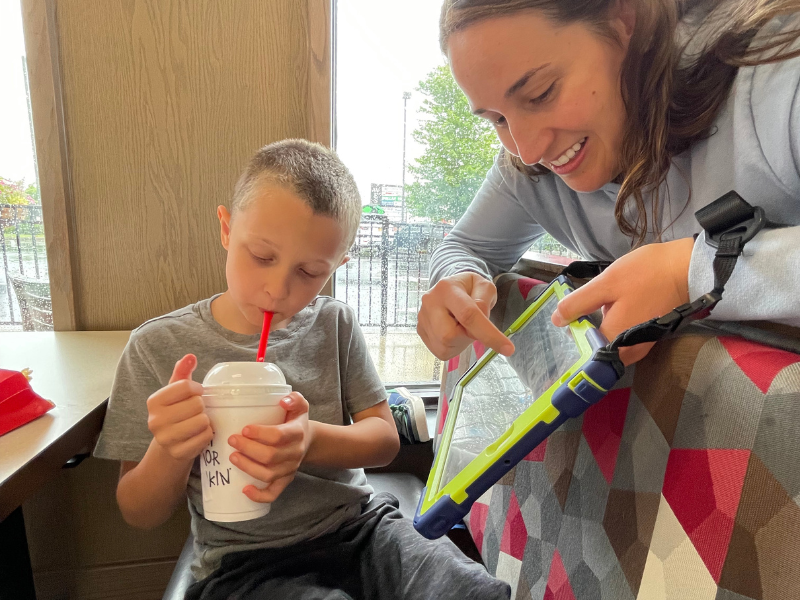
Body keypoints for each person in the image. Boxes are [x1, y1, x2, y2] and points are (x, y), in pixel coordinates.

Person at [93, 139, 510, 600]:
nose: (277, 290)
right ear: (227, 229)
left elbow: (385, 440)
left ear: (337, 267)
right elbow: (139, 512)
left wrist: (309, 439)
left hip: (362, 529)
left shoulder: (334, 323)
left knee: (473, 591)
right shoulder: (157, 346)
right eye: (262, 257)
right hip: (243, 563)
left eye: (310, 272)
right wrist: (171, 449)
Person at [419, 0, 800, 365]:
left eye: (541, 93)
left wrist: (687, 274)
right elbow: (464, 246)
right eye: (497, 120)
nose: (529, 150)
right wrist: (455, 283)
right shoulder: (524, 170)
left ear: (623, 19)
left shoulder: (775, 70)